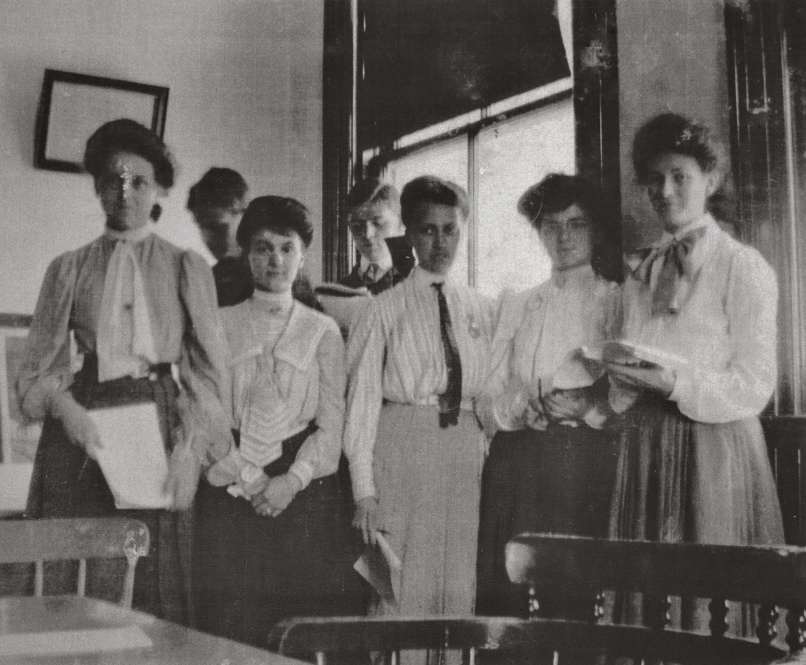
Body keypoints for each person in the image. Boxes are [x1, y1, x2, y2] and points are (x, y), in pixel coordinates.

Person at [18, 118, 236, 625]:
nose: (124, 192)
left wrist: (191, 447)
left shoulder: (185, 266)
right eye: (112, 180)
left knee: (153, 573)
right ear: (96, 187)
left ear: (157, 188)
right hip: (81, 425)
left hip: (160, 425)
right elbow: (35, 371)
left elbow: (207, 373)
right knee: (80, 567)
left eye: (138, 181)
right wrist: (63, 407)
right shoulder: (68, 268)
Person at [605, 113, 784, 634]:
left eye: (679, 176)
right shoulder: (643, 272)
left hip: (716, 452)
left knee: (710, 610)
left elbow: (755, 383)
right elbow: (632, 363)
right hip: (646, 448)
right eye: (654, 179)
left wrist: (675, 385)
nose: (664, 191)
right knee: (650, 608)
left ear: (710, 179)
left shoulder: (742, 266)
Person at [345, 175, 494, 665]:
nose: (440, 242)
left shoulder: (482, 308)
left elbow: (490, 394)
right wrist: (364, 489)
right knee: (399, 584)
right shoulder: (382, 310)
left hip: (462, 454)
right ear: (408, 233)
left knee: (455, 582)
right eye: (428, 230)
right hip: (403, 447)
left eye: (450, 229)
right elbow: (362, 404)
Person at [194, 196, 353, 647]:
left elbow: (331, 424)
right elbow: (206, 415)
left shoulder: (323, 330)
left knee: (298, 627)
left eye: (287, 248)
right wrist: (247, 475)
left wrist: (291, 481)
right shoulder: (219, 324)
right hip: (231, 489)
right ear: (247, 255)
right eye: (263, 248)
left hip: (300, 497)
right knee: (233, 625)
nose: (275, 260)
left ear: (302, 255)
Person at [475, 174, 622, 619]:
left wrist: (585, 407)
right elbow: (487, 397)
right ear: (538, 233)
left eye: (576, 224)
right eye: (551, 226)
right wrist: (519, 409)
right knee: (508, 594)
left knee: (571, 596)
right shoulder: (518, 303)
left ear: (595, 230)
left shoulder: (615, 301)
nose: (563, 237)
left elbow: (634, 399)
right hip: (515, 462)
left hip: (581, 463)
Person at [187, 167, 253, 307]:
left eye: (218, 227)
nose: (209, 238)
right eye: (201, 226)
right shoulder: (209, 280)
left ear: (246, 217)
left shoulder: (279, 274)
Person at [338, 178, 414, 294]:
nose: (367, 234)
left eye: (378, 223)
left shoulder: (416, 288)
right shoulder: (336, 292)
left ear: (400, 224)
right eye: (357, 225)